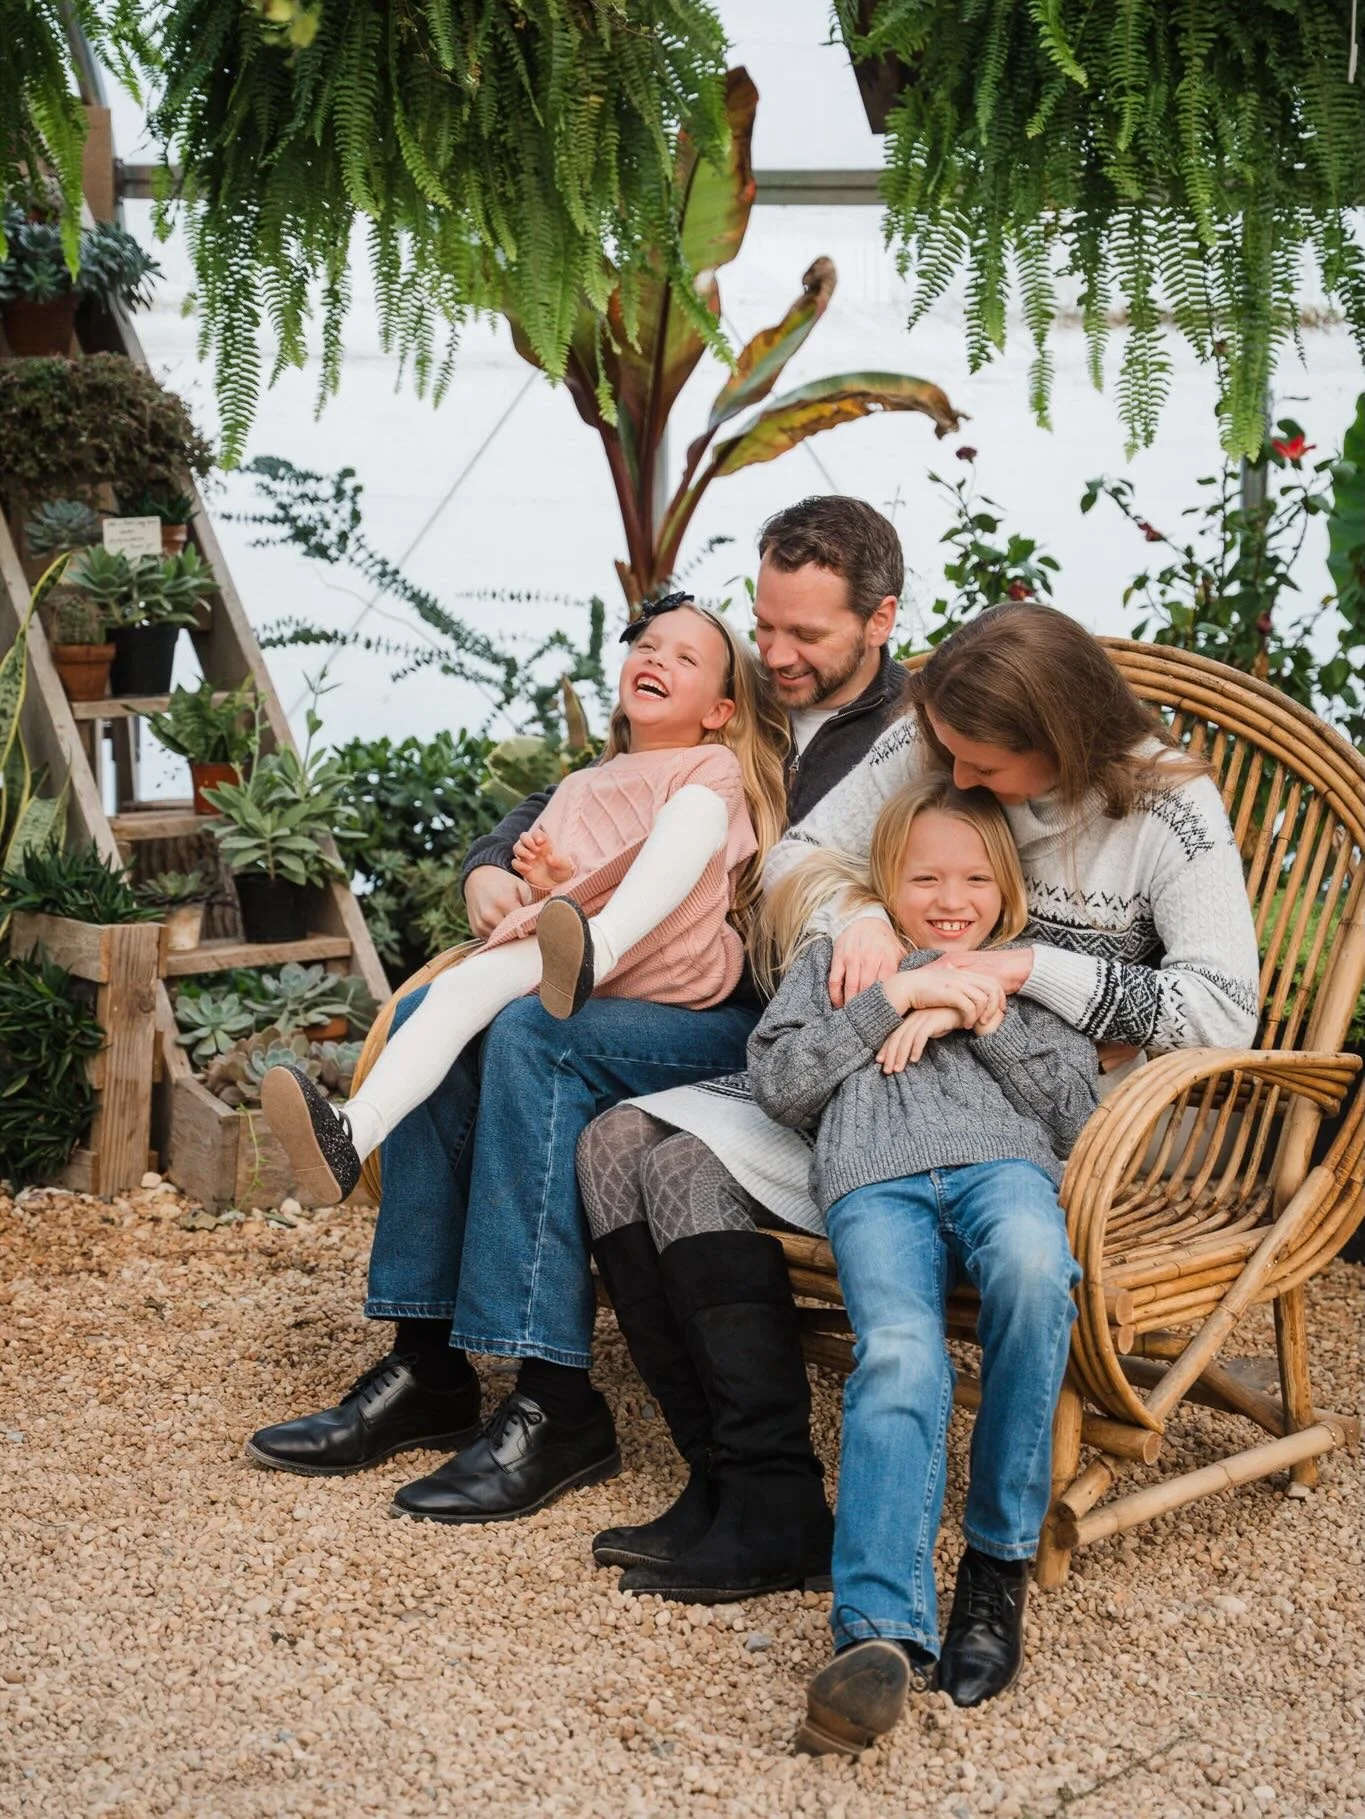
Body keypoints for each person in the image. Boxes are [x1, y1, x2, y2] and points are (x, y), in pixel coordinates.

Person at [599, 599, 1259, 1715]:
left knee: (1026, 1274)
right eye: (939, 747)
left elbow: (1217, 1013)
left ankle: (990, 1569)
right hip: (874, 1107)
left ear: (1062, 745)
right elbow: (807, 861)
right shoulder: (940, 743)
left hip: (1049, 1117)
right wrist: (858, 921)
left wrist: (1009, 973)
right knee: (628, 1146)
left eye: (978, 763)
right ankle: (763, 1500)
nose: (944, 771)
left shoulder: (1167, 813)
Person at [245, 496, 912, 1527]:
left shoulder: (907, 743)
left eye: (804, 636)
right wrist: (485, 872)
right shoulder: (725, 689)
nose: (775, 651)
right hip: (616, 972)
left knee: (537, 1032)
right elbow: (579, 800)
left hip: (747, 1021)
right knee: (442, 1001)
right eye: (764, 625)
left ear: (881, 622)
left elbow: (960, 868)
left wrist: (874, 915)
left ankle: (555, 1401)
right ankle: (427, 1363)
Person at [747, 776, 1099, 1753]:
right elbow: (780, 1082)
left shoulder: (1026, 976)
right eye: (926, 876)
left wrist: (972, 1012)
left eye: (976, 878)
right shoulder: (839, 954)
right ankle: (879, 1633)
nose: (951, 898)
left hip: (1002, 1170)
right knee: (900, 1355)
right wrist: (896, 993)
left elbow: (1076, 1110)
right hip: (875, 1182)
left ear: (1007, 886)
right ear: (885, 879)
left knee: (1036, 1274)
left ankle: (996, 1562)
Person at [259, 596, 785, 1209]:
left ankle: (601, 944)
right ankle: (353, 1131)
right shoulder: (579, 787)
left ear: (719, 710)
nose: (658, 659)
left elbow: (691, 860)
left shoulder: (709, 764)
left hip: (666, 956)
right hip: (576, 963)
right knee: (459, 986)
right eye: (647, 647)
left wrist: (588, 926)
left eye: (685, 657)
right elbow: (555, 902)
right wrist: (550, 880)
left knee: (694, 808)